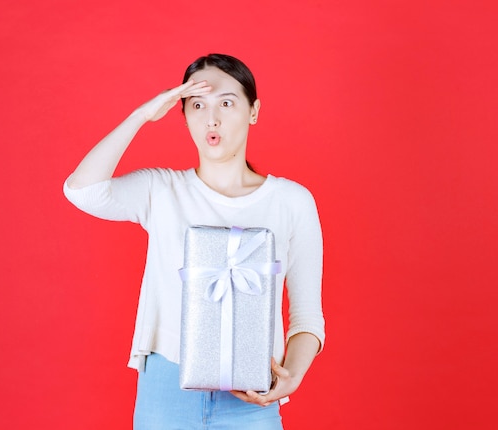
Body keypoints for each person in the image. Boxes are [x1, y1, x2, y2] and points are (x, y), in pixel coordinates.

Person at [64, 53, 325, 429]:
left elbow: (307, 318)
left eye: (226, 103)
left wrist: (292, 376)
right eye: (197, 104)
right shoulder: (162, 189)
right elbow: (82, 191)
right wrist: (142, 115)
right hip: (165, 395)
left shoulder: (292, 202)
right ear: (182, 113)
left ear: (254, 111)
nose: (211, 118)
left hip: (251, 402)